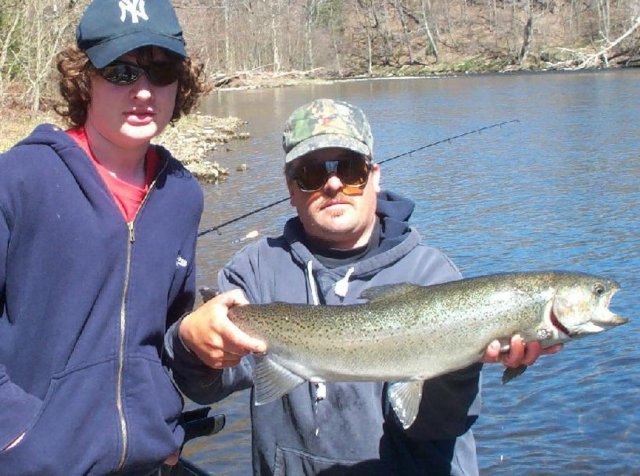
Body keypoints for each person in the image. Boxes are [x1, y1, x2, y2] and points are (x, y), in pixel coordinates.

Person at [169, 99, 560, 475]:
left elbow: (436, 430)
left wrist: (460, 365)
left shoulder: (431, 273)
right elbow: (206, 388)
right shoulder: (254, 272)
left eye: (350, 169)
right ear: (291, 189)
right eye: (311, 173)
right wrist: (191, 344)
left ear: (374, 176)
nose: (333, 184)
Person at [0, 0, 210, 473]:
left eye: (161, 71)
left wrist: (162, 423)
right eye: (121, 71)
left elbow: (165, 335)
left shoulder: (183, 195)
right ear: (84, 79)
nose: (143, 90)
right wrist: (18, 435)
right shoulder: (18, 179)